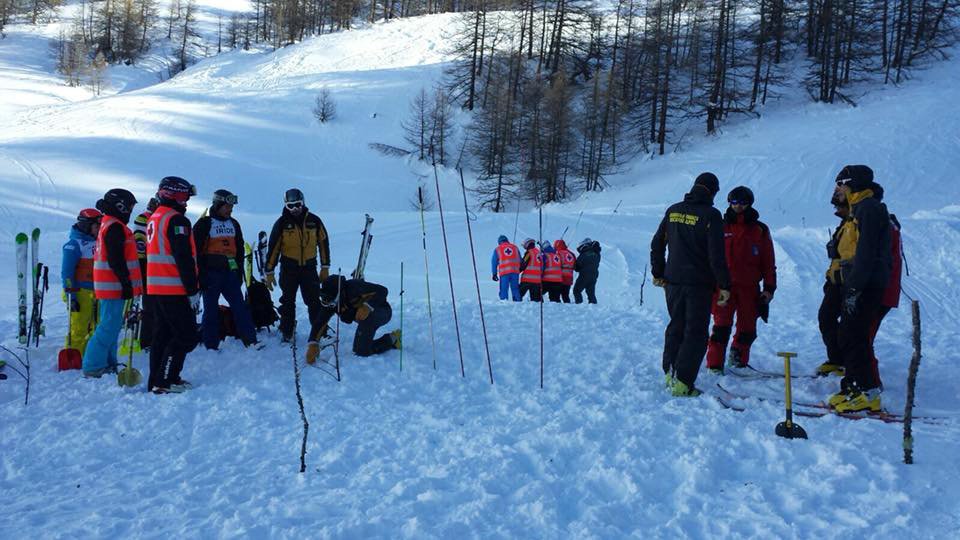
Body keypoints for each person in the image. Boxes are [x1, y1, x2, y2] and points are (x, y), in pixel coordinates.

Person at [651, 172, 731, 397]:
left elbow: (657, 243)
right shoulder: (712, 215)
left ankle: (670, 372)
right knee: (695, 332)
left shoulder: (673, 210)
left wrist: (658, 271)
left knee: (676, 325)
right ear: (713, 191)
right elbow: (717, 256)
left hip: (673, 281)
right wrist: (724, 285)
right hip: (698, 284)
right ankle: (683, 382)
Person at [829, 165, 892, 413]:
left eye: (840, 184)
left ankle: (866, 391)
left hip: (867, 284)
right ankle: (855, 386)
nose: (837, 189)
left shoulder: (869, 208)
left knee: (854, 336)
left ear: (852, 184)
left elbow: (866, 254)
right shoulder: (860, 208)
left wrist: (854, 289)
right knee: (849, 335)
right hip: (861, 283)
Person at [705, 186, 777, 373]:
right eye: (734, 202)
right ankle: (714, 365)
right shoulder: (719, 226)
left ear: (750, 204)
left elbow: (768, 261)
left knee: (747, 329)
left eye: (742, 203)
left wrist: (769, 288)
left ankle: (738, 361)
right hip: (723, 288)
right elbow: (708, 257)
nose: (738, 206)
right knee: (721, 327)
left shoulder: (760, 230)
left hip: (749, 289)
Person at [146, 176, 201, 394]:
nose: (186, 202)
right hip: (173, 286)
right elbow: (183, 257)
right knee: (187, 336)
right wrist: (192, 289)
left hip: (156, 286)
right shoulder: (177, 220)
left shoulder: (155, 217)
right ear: (174, 195)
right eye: (185, 197)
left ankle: (158, 380)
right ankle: (164, 381)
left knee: (163, 335)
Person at [83, 190, 142, 378]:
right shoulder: (114, 226)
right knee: (108, 327)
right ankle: (93, 366)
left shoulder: (110, 223)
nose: (131, 211)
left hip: (111, 286)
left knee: (113, 326)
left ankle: (107, 362)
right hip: (113, 286)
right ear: (121, 206)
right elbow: (116, 258)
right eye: (130, 207)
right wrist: (126, 283)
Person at [193, 189, 259, 350]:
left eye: (231, 207)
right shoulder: (205, 223)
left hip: (230, 273)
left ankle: (250, 340)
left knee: (240, 307)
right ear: (218, 204)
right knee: (210, 310)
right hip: (210, 274)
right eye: (227, 206)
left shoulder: (234, 223)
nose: (230, 210)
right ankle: (211, 344)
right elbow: (195, 251)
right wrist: (200, 275)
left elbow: (240, 248)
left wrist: (238, 272)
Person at [264, 189, 331, 343]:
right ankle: (287, 331)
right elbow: (274, 248)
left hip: (309, 268)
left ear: (303, 202)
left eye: (298, 205)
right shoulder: (282, 223)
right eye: (291, 206)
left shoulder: (314, 221)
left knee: (314, 301)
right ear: (286, 206)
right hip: (289, 269)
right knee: (288, 301)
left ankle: (320, 331)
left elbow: (323, 243)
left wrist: (325, 267)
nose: (295, 209)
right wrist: (269, 270)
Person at [306, 274, 401, 363]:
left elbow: (383, 290)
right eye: (323, 298)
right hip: (363, 317)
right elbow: (319, 322)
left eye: (329, 299)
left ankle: (393, 338)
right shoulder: (329, 301)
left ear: (339, 293)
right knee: (361, 347)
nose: (326, 302)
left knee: (361, 351)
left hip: (382, 312)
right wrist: (313, 343)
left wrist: (367, 306)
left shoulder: (355, 287)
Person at [816, 189, 852, 378]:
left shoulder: (855, 223)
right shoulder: (844, 225)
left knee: (849, 326)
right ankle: (836, 359)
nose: (836, 209)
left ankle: (849, 364)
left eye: (839, 206)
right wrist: (830, 278)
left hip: (849, 283)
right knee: (826, 317)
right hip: (836, 282)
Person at [61, 208, 102, 361]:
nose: (99, 229)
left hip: (97, 291)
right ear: (86, 225)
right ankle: (73, 358)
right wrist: (71, 294)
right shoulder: (74, 245)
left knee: (95, 326)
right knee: (79, 327)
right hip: (80, 292)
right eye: (96, 226)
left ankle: (89, 356)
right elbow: (67, 272)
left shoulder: (98, 242)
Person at [132, 197, 159, 350]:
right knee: (150, 306)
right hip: (147, 267)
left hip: (155, 266)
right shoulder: (144, 219)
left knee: (157, 306)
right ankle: (147, 340)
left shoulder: (155, 218)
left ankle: (154, 336)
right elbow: (140, 247)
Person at [491, 235, 522, 301]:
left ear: (499, 242)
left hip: (504, 272)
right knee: (515, 289)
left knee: (504, 289)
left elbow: (494, 262)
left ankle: (504, 303)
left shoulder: (497, 249)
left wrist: (494, 274)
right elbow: (520, 260)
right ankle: (518, 302)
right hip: (515, 272)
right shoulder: (515, 247)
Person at [573, 238, 601, 304]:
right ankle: (593, 307)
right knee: (591, 293)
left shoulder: (583, 255)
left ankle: (579, 305)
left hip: (584, 275)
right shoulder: (596, 253)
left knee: (576, 290)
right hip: (594, 275)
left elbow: (577, 267)